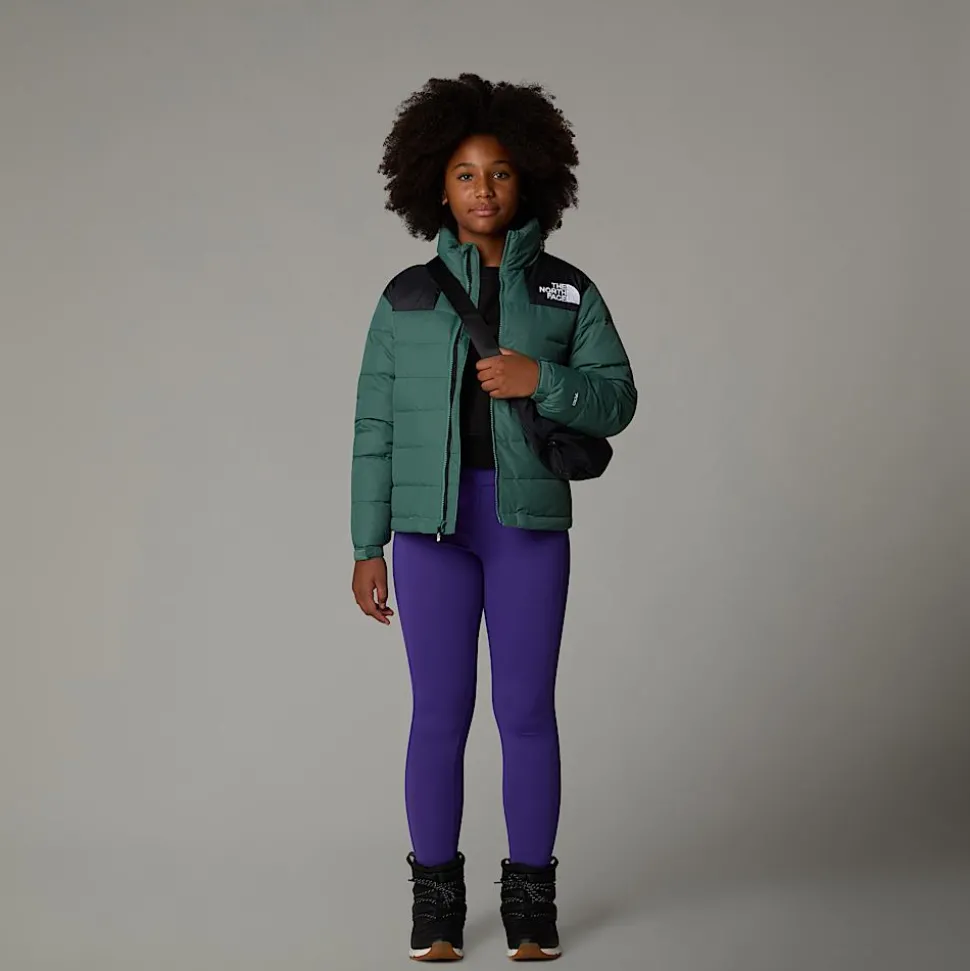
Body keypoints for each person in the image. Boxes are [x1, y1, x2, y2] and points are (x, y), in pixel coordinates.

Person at [350, 74, 637, 962]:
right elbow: (373, 427)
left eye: (501, 172)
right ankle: (436, 904)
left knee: (525, 711)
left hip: (526, 527)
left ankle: (531, 902)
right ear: (437, 186)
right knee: (438, 713)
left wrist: (538, 377)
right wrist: (366, 544)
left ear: (530, 181)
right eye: (466, 174)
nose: (484, 189)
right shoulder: (405, 297)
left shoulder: (566, 291)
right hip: (428, 533)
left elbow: (618, 399)